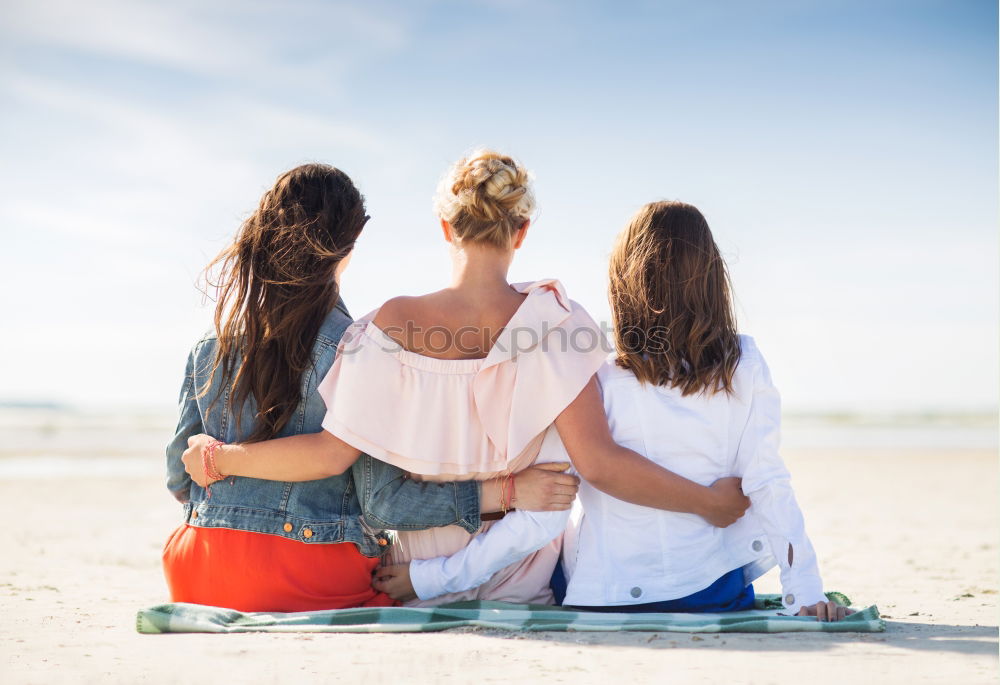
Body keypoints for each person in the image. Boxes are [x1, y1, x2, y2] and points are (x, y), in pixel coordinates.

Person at [183, 150, 750, 607]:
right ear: (521, 230)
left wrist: (223, 458)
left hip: (416, 569)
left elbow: (369, 493)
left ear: (445, 227)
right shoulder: (559, 325)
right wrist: (708, 502)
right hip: (520, 573)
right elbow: (596, 465)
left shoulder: (385, 326)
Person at [164, 163, 580, 612]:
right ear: (349, 246)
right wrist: (507, 493)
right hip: (311, 572)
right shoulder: (355, 345)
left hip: (196, 570)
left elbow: (179, 476)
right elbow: (383, 503)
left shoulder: (209, 344)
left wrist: (219, 462)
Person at [558, 200, 854, 621]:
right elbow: (767, 480)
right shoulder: (743, 361)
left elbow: (566, 481)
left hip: (604, 592)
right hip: (709, 594)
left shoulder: (595, 374)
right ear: (712, 278)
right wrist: (804, 591)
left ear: (623, 283)